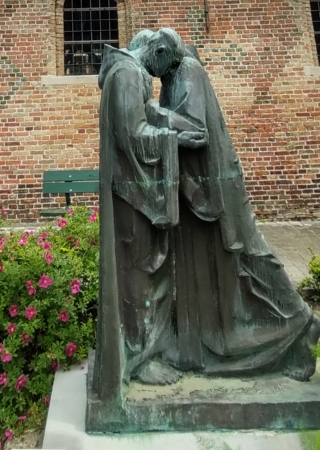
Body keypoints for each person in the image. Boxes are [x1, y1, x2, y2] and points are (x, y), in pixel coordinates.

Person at [143, 27, 320, 380]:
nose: (150, 72)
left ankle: (303, 323)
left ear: (163, 52)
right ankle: (201, 345)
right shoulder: (171, 76)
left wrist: (152, 113)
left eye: (151, 63)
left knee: (250, 253)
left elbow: (196, 131)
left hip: (218, 183)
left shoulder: (188, 70)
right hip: (196, 188)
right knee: (206, 264)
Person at [93, 32, 203, 399]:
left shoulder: (126, 71)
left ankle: (149, 349)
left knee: (146, 269)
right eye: (166, 67)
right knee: (141, 272)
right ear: (157, 51)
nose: (163, 77)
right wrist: (175, 138)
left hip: (134, 192)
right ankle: (140, 358)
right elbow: (133, 135)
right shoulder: (128, 74)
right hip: (134, 195)